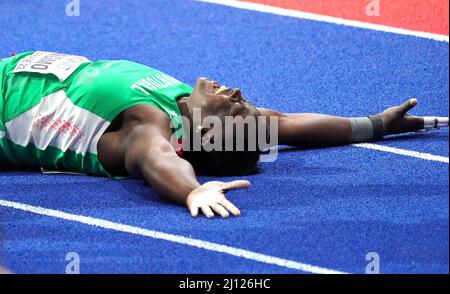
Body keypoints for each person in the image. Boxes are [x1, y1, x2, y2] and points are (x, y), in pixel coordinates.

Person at [0, 51, 447, 218]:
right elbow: (287, 123)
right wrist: (375, 125)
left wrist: (192, 192)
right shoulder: (184, 106)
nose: (235, 91)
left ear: (208, 132)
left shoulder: (144, 129)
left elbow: (159, 161)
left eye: (234, 104)